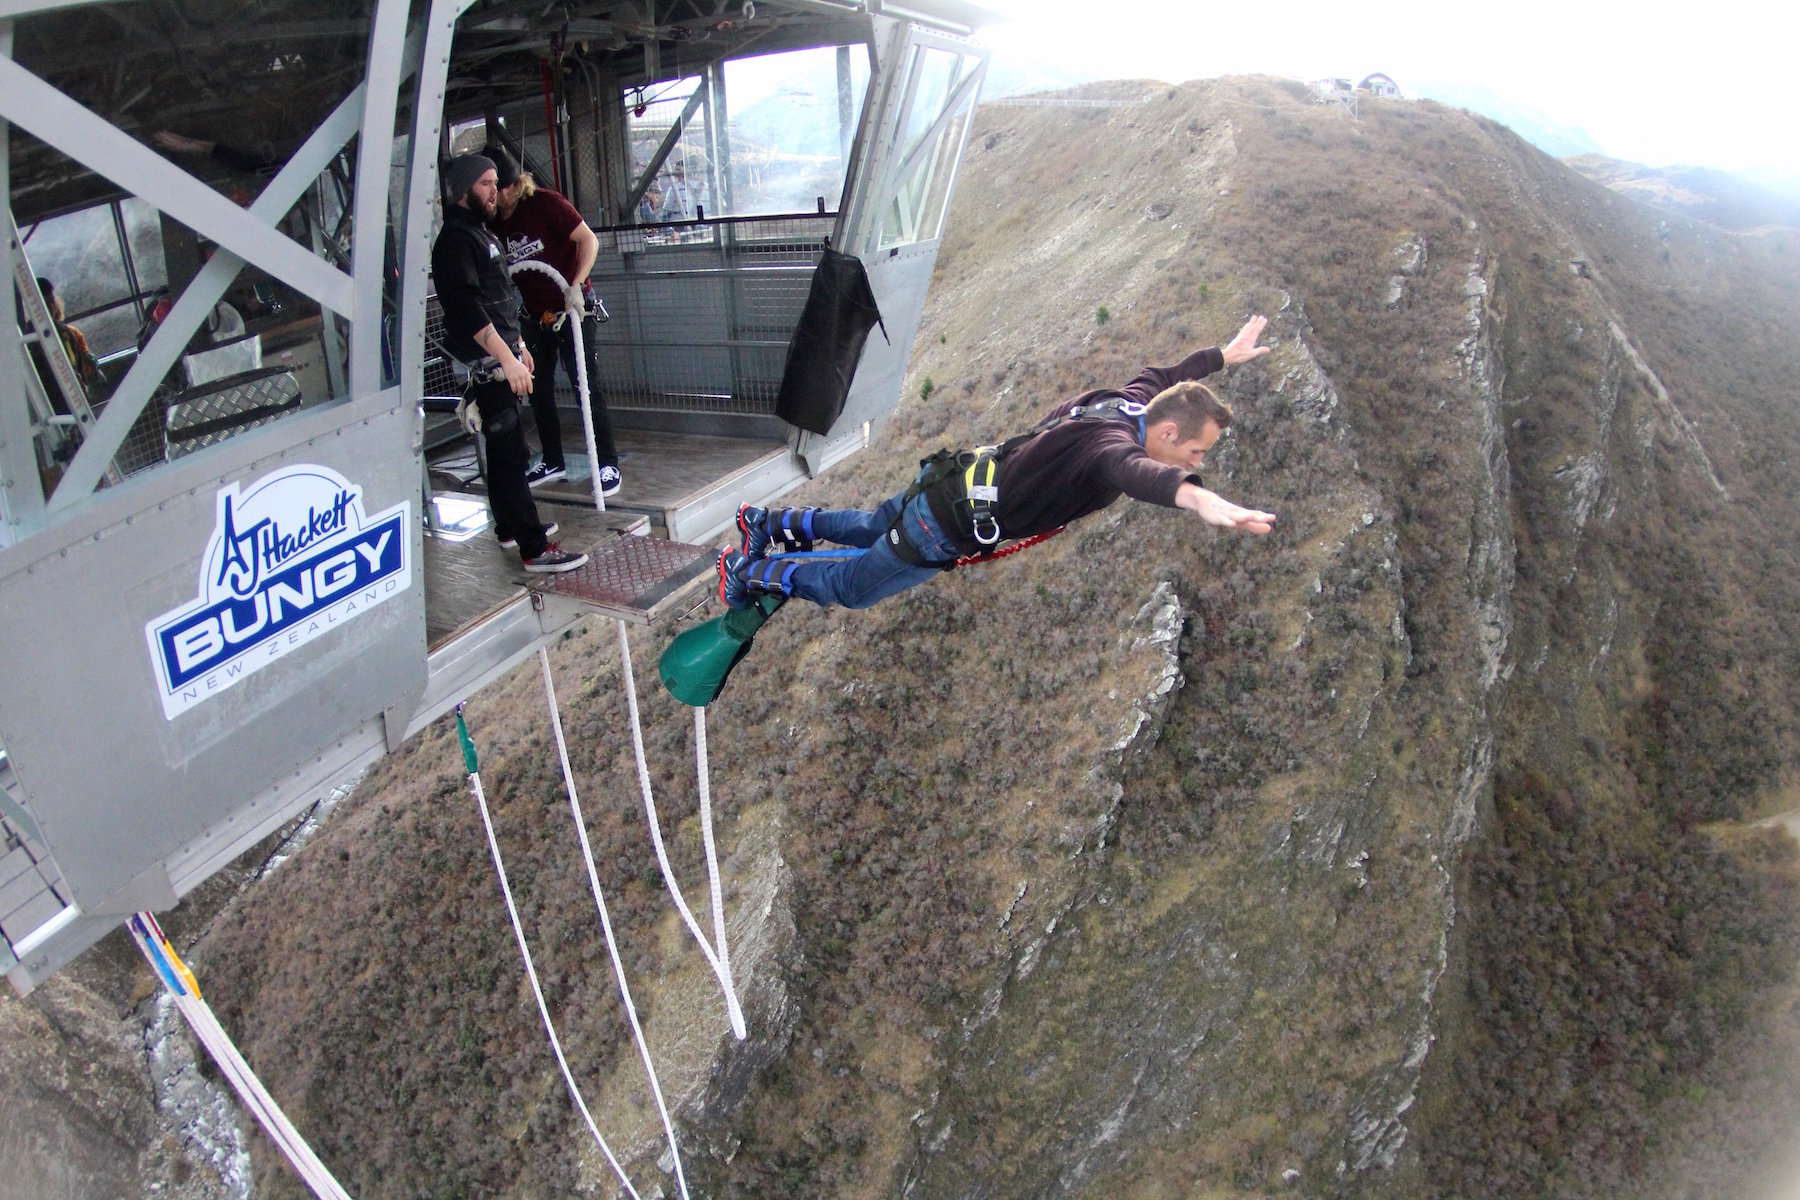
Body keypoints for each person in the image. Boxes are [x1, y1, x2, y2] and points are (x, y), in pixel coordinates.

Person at [718, 315, 1278, 610]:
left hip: (947, 484)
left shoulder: (1132, 401)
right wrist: (1196, 494)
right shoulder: (1109, 449)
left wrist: (1222, 357)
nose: (1196, 458)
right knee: (849, 588)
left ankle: (766, 524)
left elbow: (1168, 373)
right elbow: (1140, 474)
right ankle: (747, 571)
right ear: (1171, 432)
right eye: (1195, 451)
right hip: (942, 527)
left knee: (869, 526)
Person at [430, 152, 586, 574]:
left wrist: (518, 347)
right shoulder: (456, 242)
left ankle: (508, 527)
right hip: (489, 365)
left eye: (495, 182)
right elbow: (468, 309)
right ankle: (534, 548)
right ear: (463, 190)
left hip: (500, 357)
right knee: (510, 452)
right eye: (485, 184)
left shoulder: (480, 235)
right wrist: (506, 357)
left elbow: (498, 300)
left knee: (506, 453)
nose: (494, 192)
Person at [483, 143, 622, 496]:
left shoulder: (545, 203)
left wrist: (576, 285)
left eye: (508, 186)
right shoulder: (493, 222)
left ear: (518, 184)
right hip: (534, 313)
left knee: (585, 385)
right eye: (497, 188)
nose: (504, 194)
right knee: (538, 386)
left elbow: (587, 240)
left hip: (572, 307)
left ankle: (607, 463)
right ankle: (553, 459)